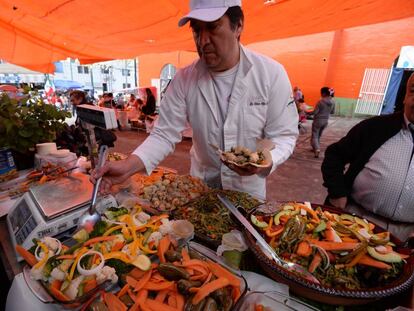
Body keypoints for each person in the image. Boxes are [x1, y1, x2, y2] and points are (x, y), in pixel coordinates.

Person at [91, 0, 298, 200]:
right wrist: (128, 167)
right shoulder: (184, 79)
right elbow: (164, 133)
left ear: (238, 26)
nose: (203, 40)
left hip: (248, 192)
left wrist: (266, 162)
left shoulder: (270, 74)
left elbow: (284, 135)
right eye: (197, 30)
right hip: (199, 189)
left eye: (213, 27)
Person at [321, 72, 414, 241]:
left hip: (406, 237)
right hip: (352, 223)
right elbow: (335, 155)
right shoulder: (375, 127)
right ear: (405, 96)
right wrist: (337, 192)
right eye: (413, 91)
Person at [310, 87, 335, 158]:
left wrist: (307, 113)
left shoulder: (320, 101)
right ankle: (315, 148)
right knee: (319, 135)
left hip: (318, 120)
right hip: (325, 121)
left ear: (324, 93)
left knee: (314, 135)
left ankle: (317, 149)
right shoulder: (333, 102)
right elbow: (333, 112)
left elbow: (315, 112)